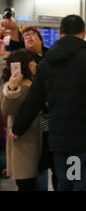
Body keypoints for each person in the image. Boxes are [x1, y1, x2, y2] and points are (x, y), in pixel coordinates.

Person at [10, 15, 86, 191]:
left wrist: (18, 128)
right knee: (84, 185)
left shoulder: (47, 63)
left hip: (60, 141)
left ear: (59, 33)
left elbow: (33, 101)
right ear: (84, 33)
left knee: (66, 184)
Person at [1, 49, 44, 191]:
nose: (35, 65)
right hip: (23, 145)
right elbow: (7, 111)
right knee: (26, 184)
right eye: (32, 61)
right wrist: (12, 89)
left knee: (40, 183)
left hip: (43, 141)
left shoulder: (37, 84)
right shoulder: (11, 87)